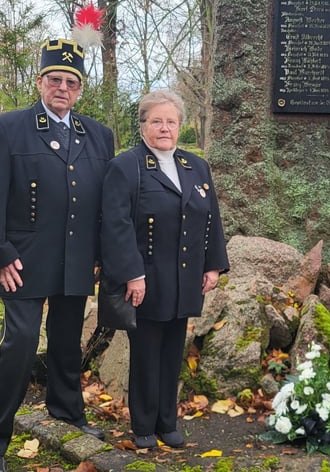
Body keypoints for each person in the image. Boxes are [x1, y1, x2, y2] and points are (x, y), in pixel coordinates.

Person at [0, 37, 115, 472]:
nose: (62, 88)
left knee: (68, 342)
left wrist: (100, 255)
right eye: (54, 79)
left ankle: (67, 410)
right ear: (39, 82)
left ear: (80, 89)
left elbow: (104, 203)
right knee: (18, 344)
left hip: (77, 257)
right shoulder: (8, 128)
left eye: (71, 82)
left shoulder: (99, 135)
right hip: (23, 260)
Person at [100, 90, 229, 449]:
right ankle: (143, 427)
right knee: (145, 353)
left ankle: (167, 422)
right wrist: (132, 273)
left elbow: (211, 220)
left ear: (180, 126)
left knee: (173, 352)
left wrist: (214, 265)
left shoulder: (195, 166)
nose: (164, 128)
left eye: (171, 121)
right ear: (142, 125)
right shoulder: (126, 167)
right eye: (156, 121)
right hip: (145, 279)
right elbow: (116, 224)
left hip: (185, 276)